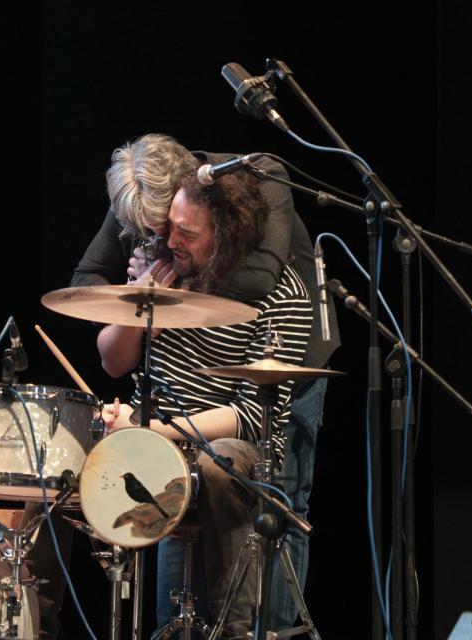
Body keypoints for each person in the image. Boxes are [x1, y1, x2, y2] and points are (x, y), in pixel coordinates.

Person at [72, 134, 339, 631]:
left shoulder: (272, 280)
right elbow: (113, 359)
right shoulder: (164, 258)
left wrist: (150, 429)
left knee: (259, 487)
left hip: (245, 412)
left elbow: (251, 416)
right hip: (174, 432)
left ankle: (253, 629)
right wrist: (141, 301)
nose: (165, 240)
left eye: (182, 231)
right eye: (163, 229)